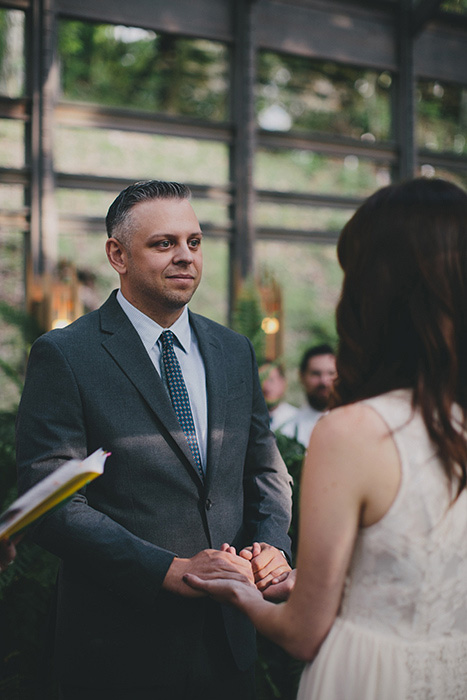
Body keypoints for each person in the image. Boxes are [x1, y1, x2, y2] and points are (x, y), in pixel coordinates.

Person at [184, 177, 467, 699]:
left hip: (374, 680)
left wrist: (242, 595)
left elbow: (302, 633)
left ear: (376, 291)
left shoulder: (353, 430)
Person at [15, 180, 293, 700]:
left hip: (228, 643)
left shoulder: (235, 350)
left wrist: (273, 547)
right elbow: (51, 503)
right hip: (117, 647)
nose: (185, 256)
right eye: (164, 243)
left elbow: (265, 471)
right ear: (117, 254)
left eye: (194, 241)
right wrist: (170, 569)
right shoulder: (66, 355)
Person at [283, 344, 336, 446]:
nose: (324, 382)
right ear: (301, 376)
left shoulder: (354, 426)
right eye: (316, 373)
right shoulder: (287, 430)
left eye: (331, 373)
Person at [259, 360, 298, 432]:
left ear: (283, 383)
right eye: (261, 380)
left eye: (271, 380)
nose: (265, 386)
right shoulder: (250, 419)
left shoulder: (296, 418)